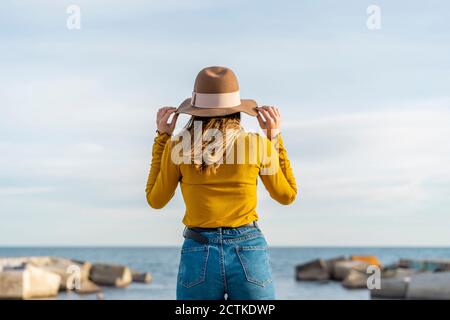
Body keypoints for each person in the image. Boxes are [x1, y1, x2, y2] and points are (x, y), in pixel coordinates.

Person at [146, 66, 297, 300]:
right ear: (237, 110)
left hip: (198, 250)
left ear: (195, 111)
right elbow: (286, 196)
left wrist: (162, 139)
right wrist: (274, 138)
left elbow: (155, 200)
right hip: (248, 249)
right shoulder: (257, 145)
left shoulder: (177, 147)